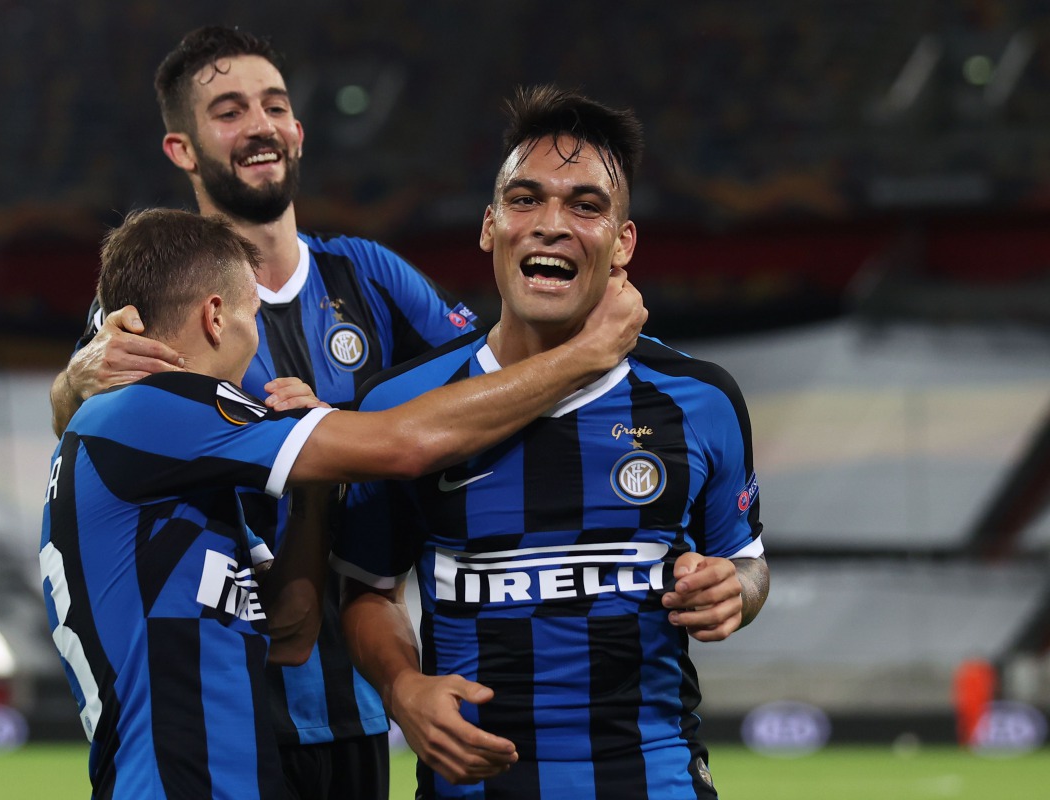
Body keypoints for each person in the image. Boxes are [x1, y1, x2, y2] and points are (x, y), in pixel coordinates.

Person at [41, 207, 645, 799]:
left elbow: (289, 633)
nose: (256, 348)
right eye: (254, 317)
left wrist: (311, 489)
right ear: (216, 316)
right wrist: (584, 356)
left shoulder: (176, 473)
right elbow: (404, 445)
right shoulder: (150, 413)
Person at [46, 26, 477, 800]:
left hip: (347, 701)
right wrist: (75, 378)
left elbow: (480, 379)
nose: (259, 126)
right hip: (211, 699)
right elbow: (87, 434)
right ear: (182, 149)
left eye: (274, 106)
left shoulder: (369, 275)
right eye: (230, 110)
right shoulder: (150, 308)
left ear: (299, 132)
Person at [333, 86, 770, 800]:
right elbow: (367, 591)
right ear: (489, 226)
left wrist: (735, 592)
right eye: (525, 199)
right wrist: (402, 686)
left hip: (652, 779)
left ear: (622, 243)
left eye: (586, 205)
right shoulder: (403, 406)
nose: (550, 225)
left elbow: (747, 565)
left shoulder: (701, 399)